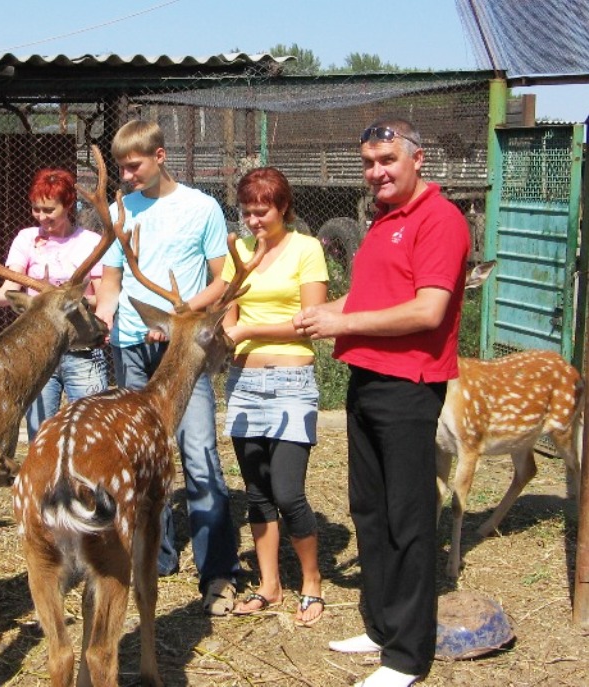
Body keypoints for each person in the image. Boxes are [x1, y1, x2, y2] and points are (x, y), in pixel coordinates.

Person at [296, 118, 470, 687]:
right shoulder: (383, 219)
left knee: (408, 515)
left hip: (409, 385)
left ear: (417, 159)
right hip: (367, 378)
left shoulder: (440, 220)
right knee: (369, 509)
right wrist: (320, 315)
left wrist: (342, 322)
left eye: (387, 160)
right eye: (369, 163)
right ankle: (382, 627)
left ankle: (407, 656)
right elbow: (368, 298)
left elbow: (428, 311)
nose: (377, 172)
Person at [95, 119, 241, 616]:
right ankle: (156, 558)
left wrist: (177, 317)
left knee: (198, 451)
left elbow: (222, 280)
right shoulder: (122, 209)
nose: (127, 176)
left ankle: (218, 570)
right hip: (132, 347)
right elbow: (112, 278)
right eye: (121, 168)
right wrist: (105, 313)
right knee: (141, 458)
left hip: (181, 350)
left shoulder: (201, 208)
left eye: (133, 166)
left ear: (160, 156)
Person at [204, 168, 328, 626]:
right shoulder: (239, 254)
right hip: (244, 383)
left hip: (291, 382)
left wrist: (249, 330)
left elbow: (311, 319)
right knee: (257, 494)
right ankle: (269, 585)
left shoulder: (306, 249)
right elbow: (229, 319)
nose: (254, 221)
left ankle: (311, 582)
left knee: (289, 493)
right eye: (248, 212)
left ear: (283, 208)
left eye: (263, 211)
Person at [0, 167, 108, 440]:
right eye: (36, 209)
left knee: (91, 432)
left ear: (68, 205)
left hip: (82, 351)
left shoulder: (91, 242)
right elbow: (10, 291)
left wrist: (68, 301)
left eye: (49, 210)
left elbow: (102, 297)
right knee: (40, 435)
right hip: (39, 352)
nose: (41, 217)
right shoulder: (26, 239)